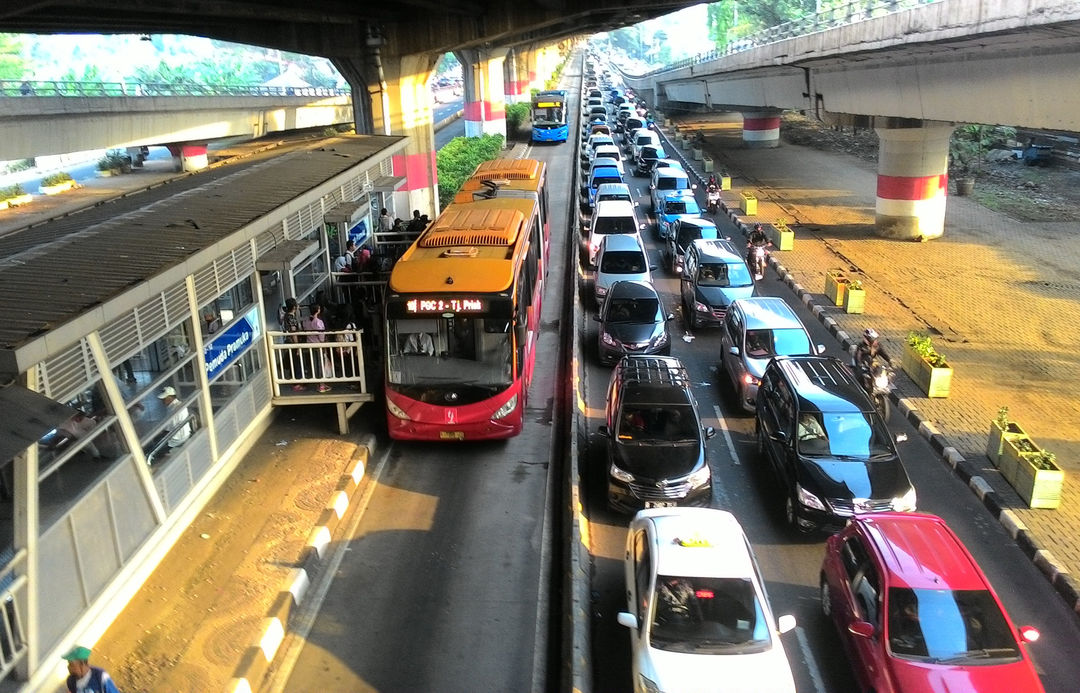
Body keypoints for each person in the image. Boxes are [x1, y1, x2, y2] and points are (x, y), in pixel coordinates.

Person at [302, 304, 332, 392]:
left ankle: (318, 384)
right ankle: (321, 385)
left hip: (310, 344)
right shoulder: (318, 322)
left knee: (314, 364)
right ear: (318, 310)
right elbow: (321, 335)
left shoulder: (306, 321)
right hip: (318, 344)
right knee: (320, 364)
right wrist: (323, 343)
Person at [158, 386, 192, 450]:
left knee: (153, 446)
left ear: (170, 397)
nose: (162, 401)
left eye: (164, 398)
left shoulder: (173, 409)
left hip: (177, 439)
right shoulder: (178, 404)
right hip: (185, 434)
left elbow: (168, 430)